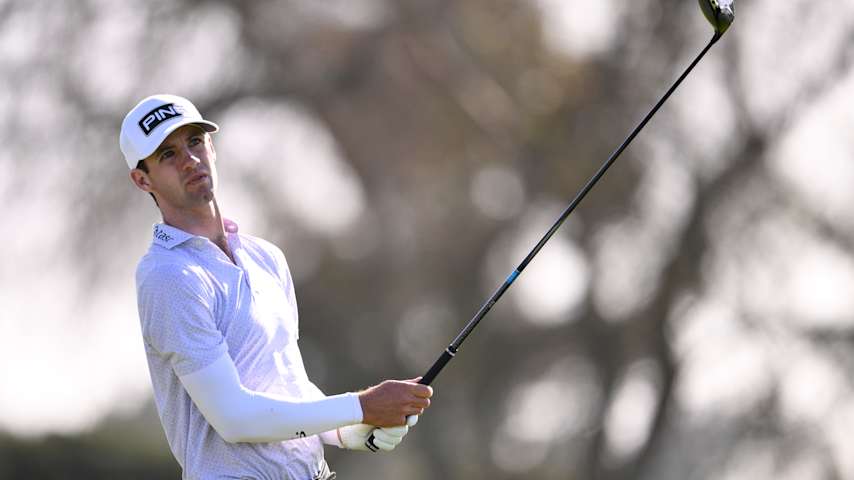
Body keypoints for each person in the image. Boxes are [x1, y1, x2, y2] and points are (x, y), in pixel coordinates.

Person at [121, 94, 433, 480]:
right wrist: (361, 407)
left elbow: (287, 387)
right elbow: (235, 419)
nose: (189, 159)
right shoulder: (168, 277)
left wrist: (348, 431)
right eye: (168, 154)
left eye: (195, 142)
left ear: (211, 147)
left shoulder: (266, 258)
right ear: (142, 179)